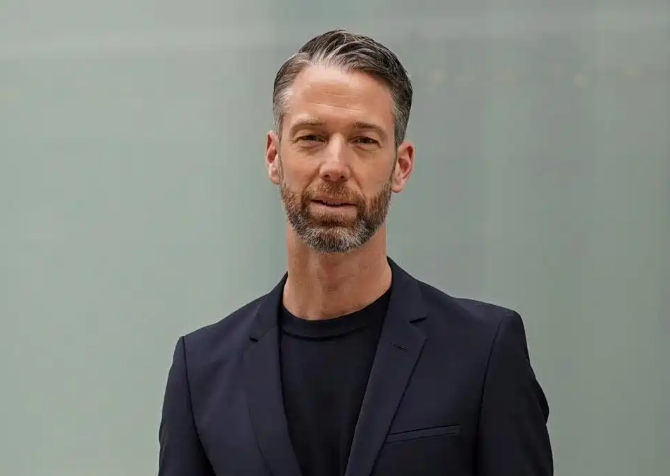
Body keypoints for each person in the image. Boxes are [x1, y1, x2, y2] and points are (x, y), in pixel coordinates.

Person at [158, 29, 553, 476]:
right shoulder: (202, 371)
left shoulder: (482, 353)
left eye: (364, 140)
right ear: (273, 156)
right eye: (311, 137)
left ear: (401, 165)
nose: (335, 167)